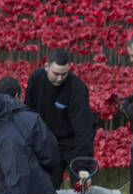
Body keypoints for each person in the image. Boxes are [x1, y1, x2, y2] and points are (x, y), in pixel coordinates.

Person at [26, 48, 97, 186]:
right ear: (46, 67)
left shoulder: (77, 88)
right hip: (46, 142)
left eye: (64, 74)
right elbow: (29, 112)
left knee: (81, 187)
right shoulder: (36, 79)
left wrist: (83, 165)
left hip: (72, 144)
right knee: (47, 189)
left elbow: (84, 128)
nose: (60, 78)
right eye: (56, 74)